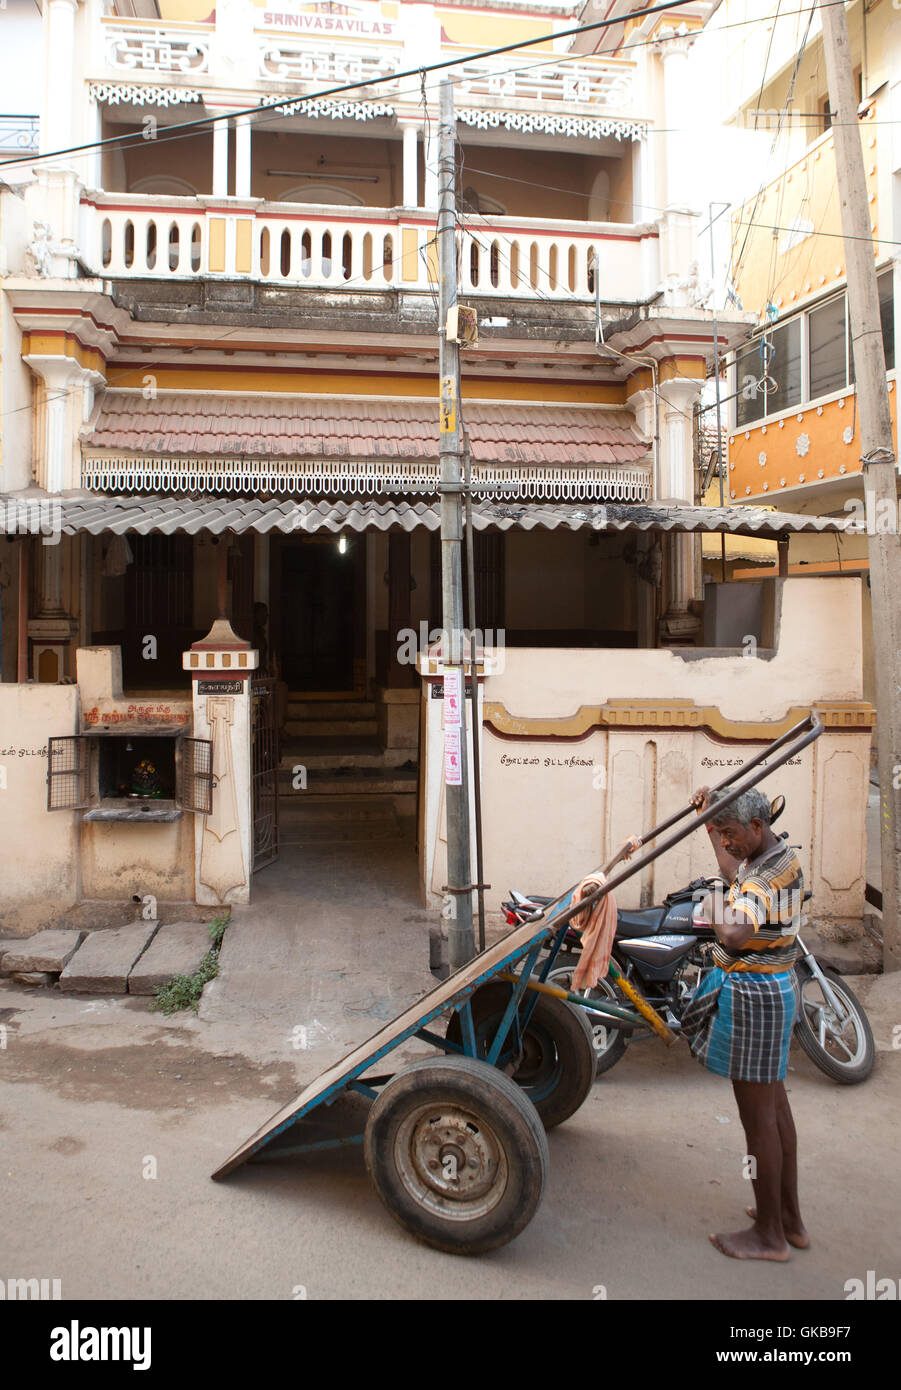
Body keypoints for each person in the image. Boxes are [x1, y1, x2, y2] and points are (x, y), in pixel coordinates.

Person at [684, 785, 809, 1261]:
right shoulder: (779, 857)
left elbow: (734, 934)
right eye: (722, 833)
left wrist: (712, 900)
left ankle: (770, 1236)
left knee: (758, 1122)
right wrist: (710, 824)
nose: (727, 843)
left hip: (755, 997)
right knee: (775, 1113)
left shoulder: (761, 880)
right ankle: (790, 1221)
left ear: (757, 827)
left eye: (731, 833)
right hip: (775, 989)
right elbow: (736, 868)